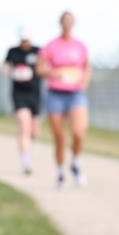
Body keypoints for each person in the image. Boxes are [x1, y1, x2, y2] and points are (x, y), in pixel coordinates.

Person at [37, 12, 90, 189]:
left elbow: (87, 68)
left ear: (74, 23)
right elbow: (40, 68)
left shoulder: (80, 45)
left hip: (76, 93)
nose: (68, 23)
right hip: (56, 93)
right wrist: (54, 73)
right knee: (59, 136)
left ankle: (75, 162)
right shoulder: (51, 46)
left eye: (70, 21)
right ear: (60, 23)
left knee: (78, 132)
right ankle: (60, 172)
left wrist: (84, 80)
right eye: (65, 21)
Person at [3, 31, 42, 175]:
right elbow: (5, 66)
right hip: (19, 94)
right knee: (24, 126)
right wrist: (12, 73)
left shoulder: (38, 51)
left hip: (34, 94)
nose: (25, 43)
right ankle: (26, 162)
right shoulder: (13, 51)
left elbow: (44, 67)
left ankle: (28, 148)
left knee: (34, 132)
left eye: (27, 41)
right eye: (23, 41)